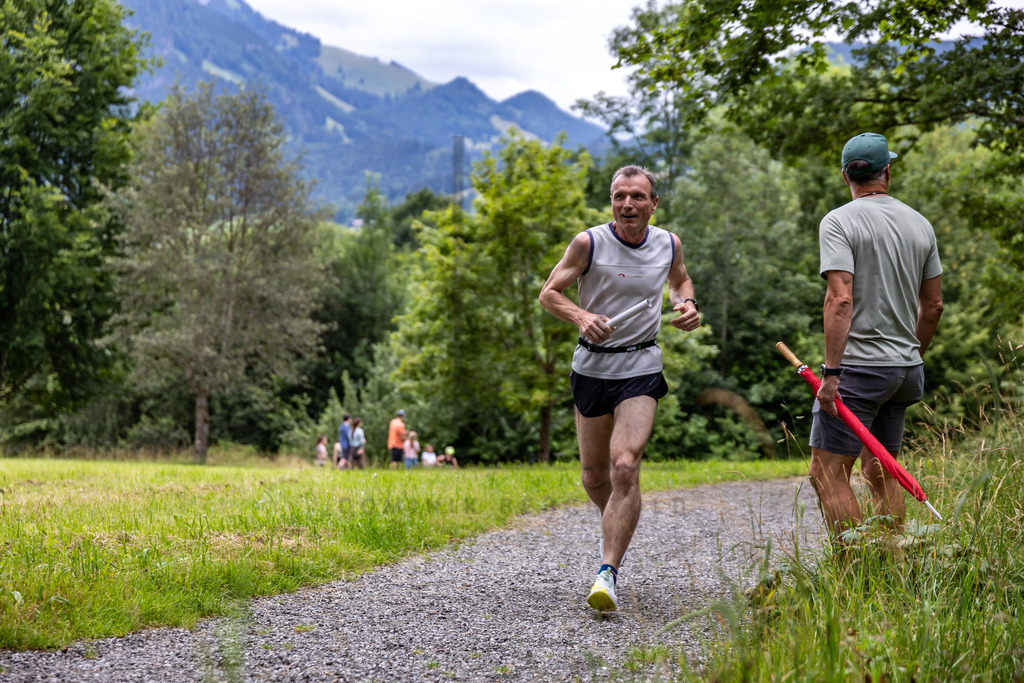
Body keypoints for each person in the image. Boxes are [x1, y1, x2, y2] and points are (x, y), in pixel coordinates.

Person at [538, 164, 700, 612]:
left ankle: (607, 573)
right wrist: (581, 317)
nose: (627, 204)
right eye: (619, 196)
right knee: (594, 477)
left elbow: (679, 280)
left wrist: (686, 303)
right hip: (591, 368)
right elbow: (549, 292)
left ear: (653, 203)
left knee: (624, 467)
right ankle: (620, 518)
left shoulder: (668, 243)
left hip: (640, 366)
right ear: (612, 201)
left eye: (636, 197)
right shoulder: (589, 243)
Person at [809, 132, 943, 535]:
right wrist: (911, 354)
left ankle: (857, 572)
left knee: (826, 473)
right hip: (905, 370)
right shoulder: (920, 224)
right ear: (888, 170)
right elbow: (933, 306)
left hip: (859, 371)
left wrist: (831, 375)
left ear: (846, 176)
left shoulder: (839, 221)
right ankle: (892, 567)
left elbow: (840, 299)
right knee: (882, 470)